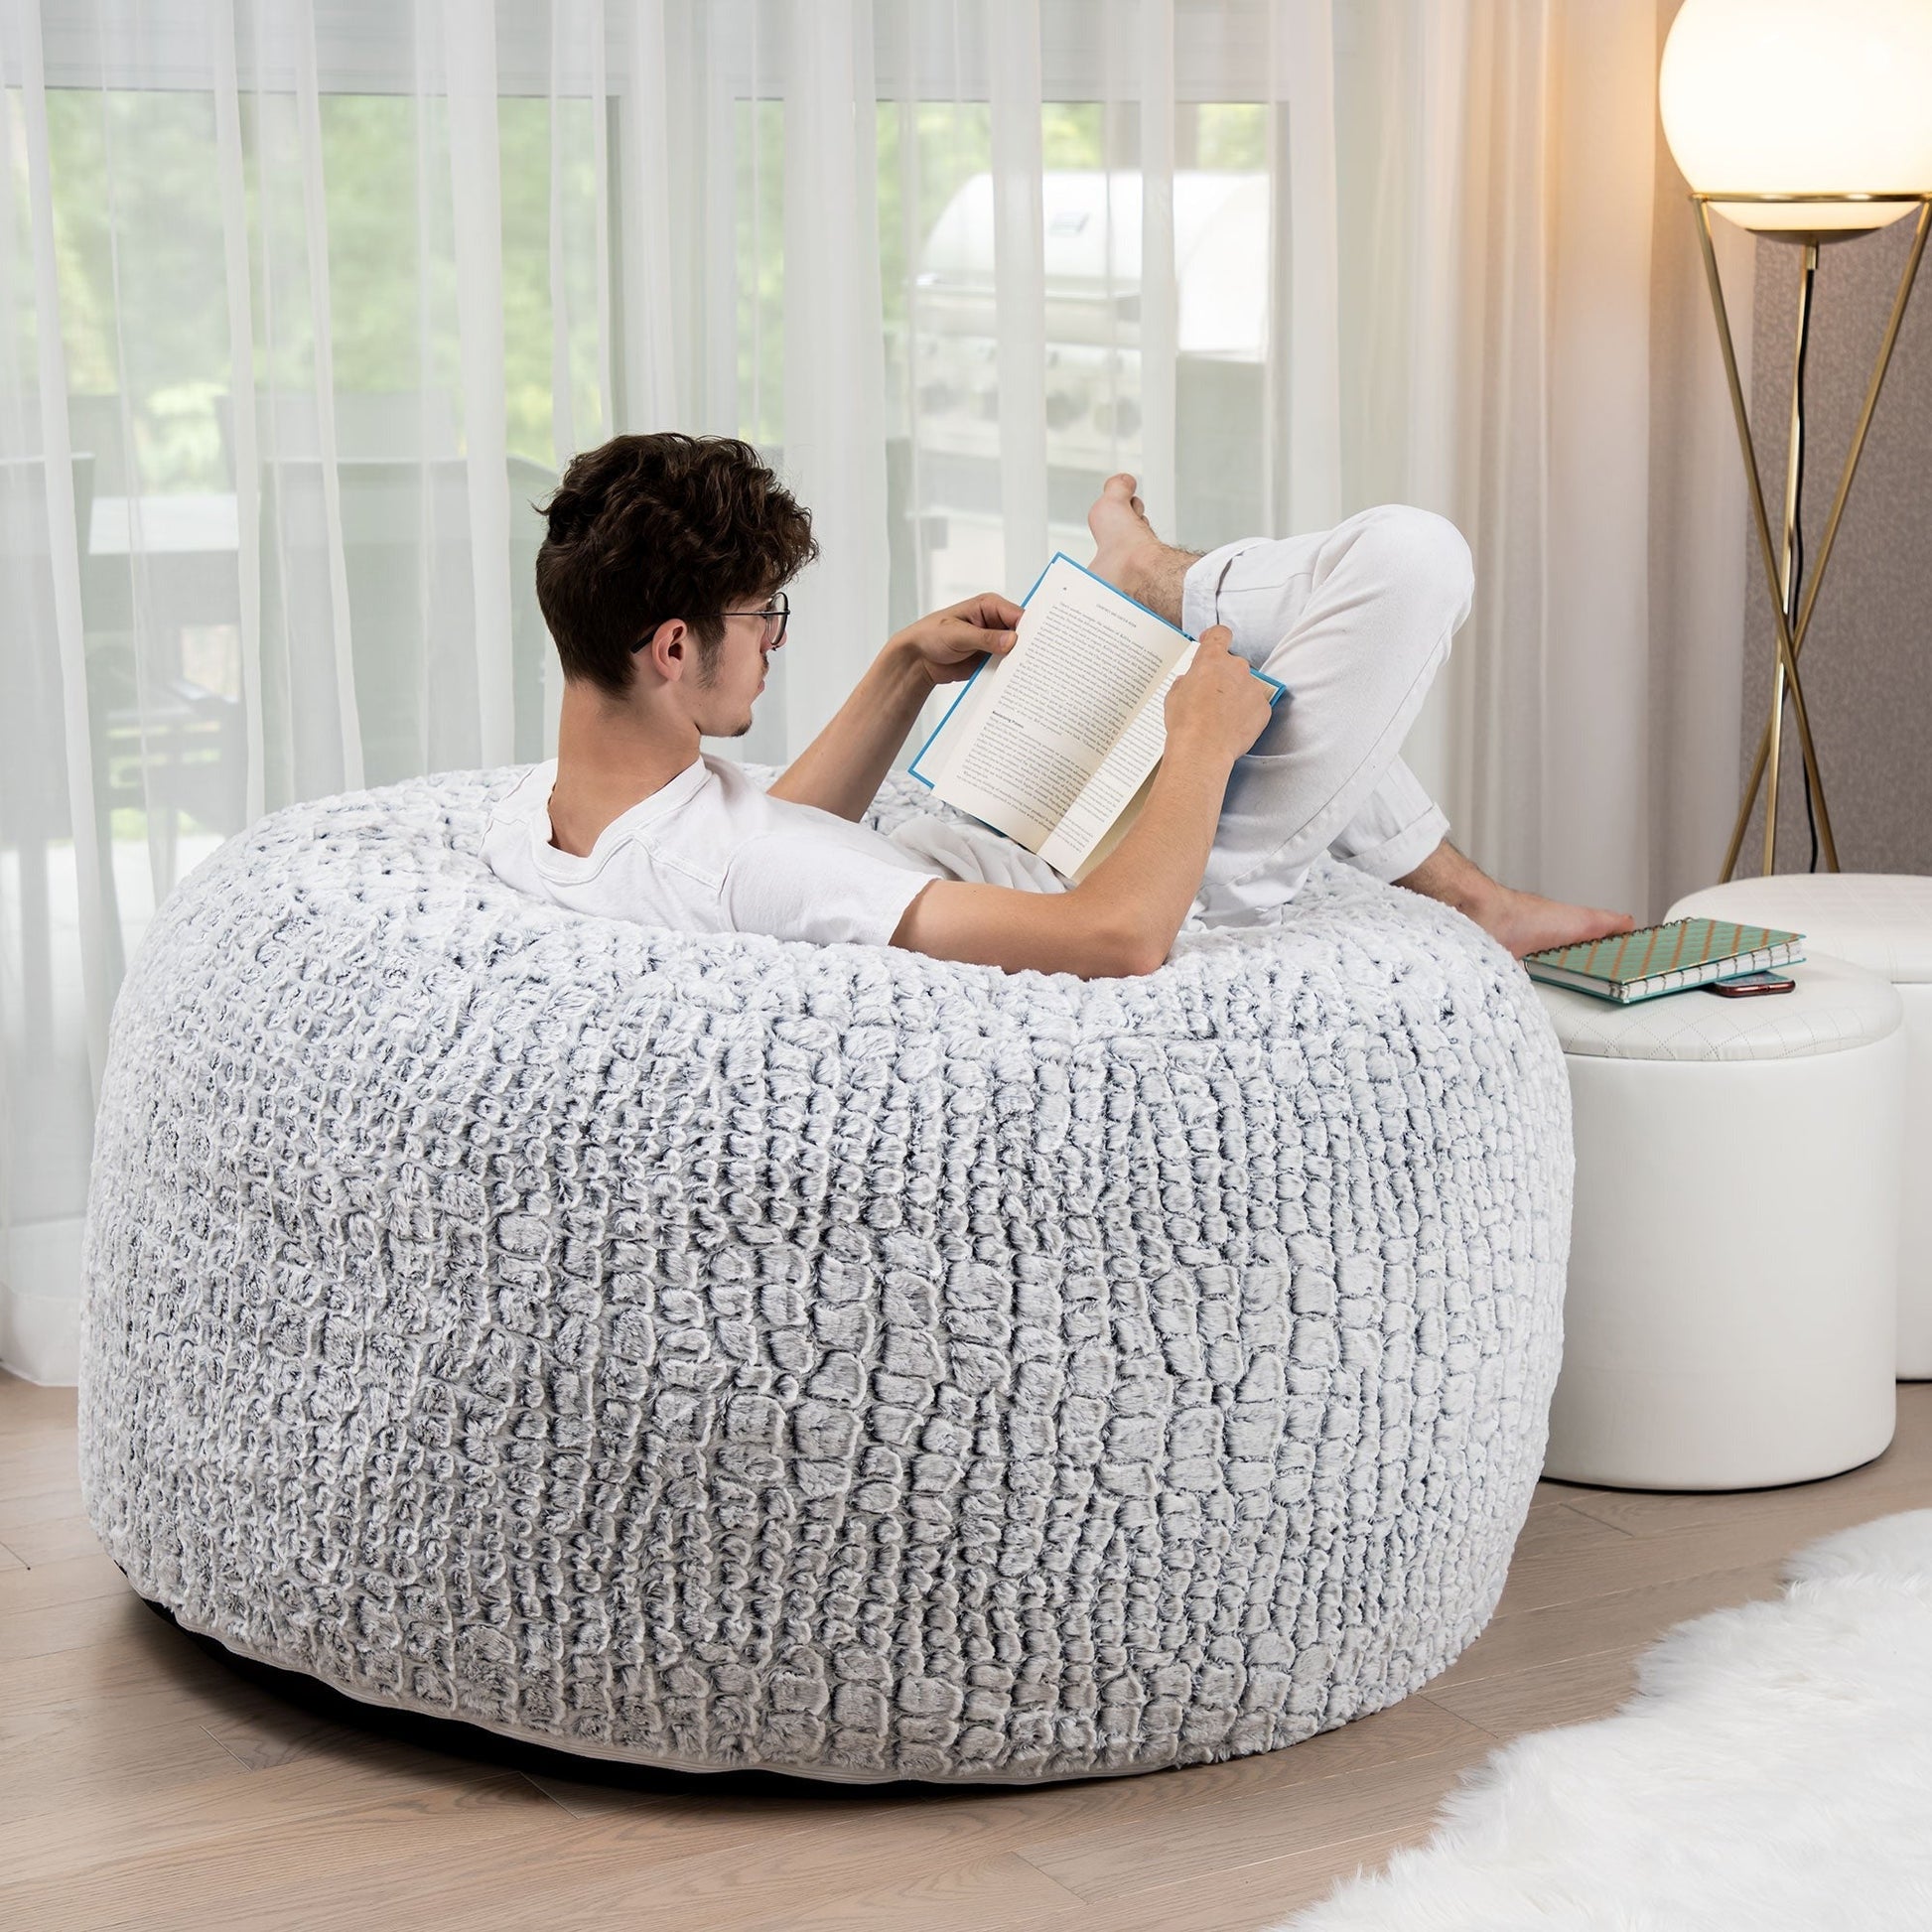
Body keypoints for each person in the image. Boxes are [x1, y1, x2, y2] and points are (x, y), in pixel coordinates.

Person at [484, 431, 1633, 977]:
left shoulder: (558, 814)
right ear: (675, 644)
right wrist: (1195, 747)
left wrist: (901, 669)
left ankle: (1164, 597)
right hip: (1123, 875)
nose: (776, 639)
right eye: (762, 614)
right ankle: (1164, 581)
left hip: (980, 827)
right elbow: (1115, 936)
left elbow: (768, 842)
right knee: (1409, 562)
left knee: (1240, 654)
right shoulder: (740, 874)